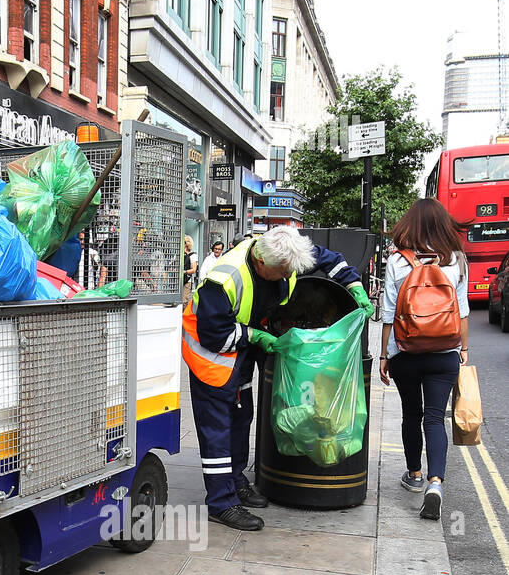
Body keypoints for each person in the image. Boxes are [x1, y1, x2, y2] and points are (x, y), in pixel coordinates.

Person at [182, 226, 369, 531]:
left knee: (242, 418)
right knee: (218, 430)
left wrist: (353, 283)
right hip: (212, 358)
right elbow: (212, 334)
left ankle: (236, 481)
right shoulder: (225, 278)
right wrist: (257, 337)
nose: (286, 277)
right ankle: (221, 503)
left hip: (239, 354)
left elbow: (326, 258)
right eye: (280, 273)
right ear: (261, 264)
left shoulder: (284, 254)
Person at [378, 199, 470, 520]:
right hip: (445, 352)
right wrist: (464, 350)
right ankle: (435, 484)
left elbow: (389, 313)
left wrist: (384, 355)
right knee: (434, 418)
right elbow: (463, 312)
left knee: (410, 414)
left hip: (405, 350)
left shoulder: (398, 262)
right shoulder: (457, 260)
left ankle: (414, 474)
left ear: (409, 226)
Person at [181, 235, 198, 301]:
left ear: (186, 244)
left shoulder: (193, 255)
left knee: (184, 300)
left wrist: (185, 272)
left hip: (187, 281)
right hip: (178, 281)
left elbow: (194, 269)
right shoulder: (180, 254)